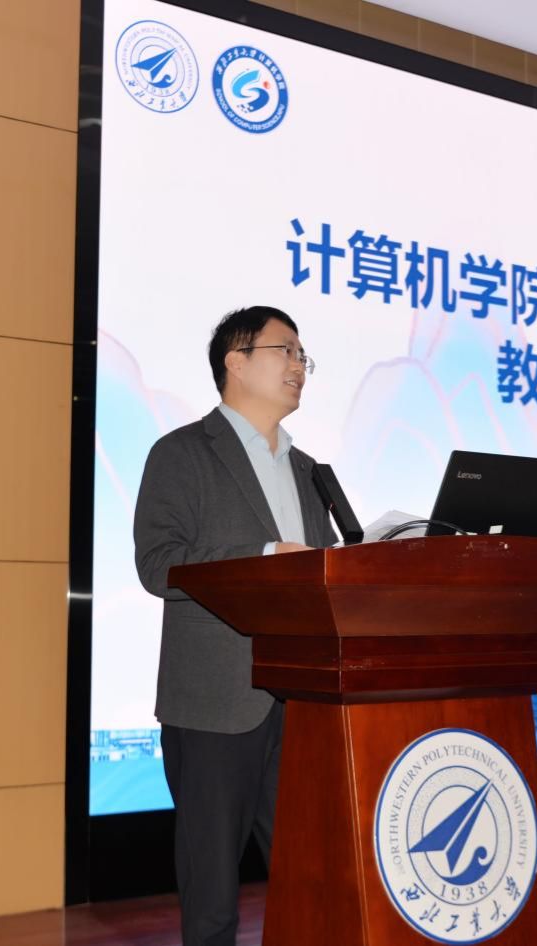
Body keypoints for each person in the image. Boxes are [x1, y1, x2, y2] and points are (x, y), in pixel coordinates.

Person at [133, 306, 337, 946]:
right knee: (213, 896)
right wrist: (264, 556)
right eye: (286, 351)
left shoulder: (309, 471)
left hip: (301, 703)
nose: (299, 366)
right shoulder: (183, 453)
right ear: (237, 362)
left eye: (303, 356)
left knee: (313, 882)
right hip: (215, 702)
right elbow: (159, 565)